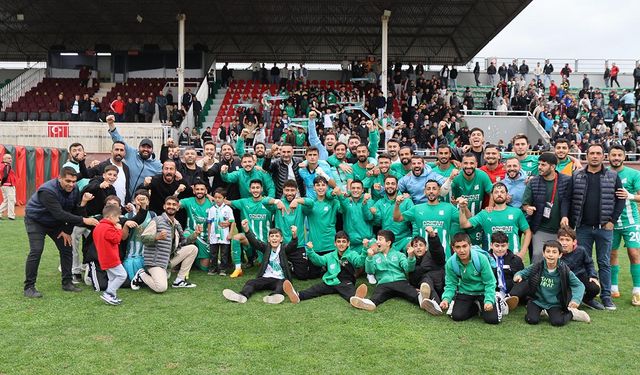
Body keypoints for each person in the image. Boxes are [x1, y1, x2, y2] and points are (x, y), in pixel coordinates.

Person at [23, 167, 99, 298]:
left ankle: (67, 282)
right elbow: (59, 214)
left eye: (74, 181)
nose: (71, 184)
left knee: (66, 248)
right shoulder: (47, 191)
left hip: (55, 223)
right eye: (67, 181)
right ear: (59, 178)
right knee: (36, 250)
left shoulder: (75, 190)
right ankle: (29, 287)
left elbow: (73, 211)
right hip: (36, 221)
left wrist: (67, 231)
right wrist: (85, 220)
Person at [571, 143, 624, 310]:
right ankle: (587, 296)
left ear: (603, 156)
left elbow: (620, 199)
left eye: (598, 153)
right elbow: (570, 199)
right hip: (583, 228)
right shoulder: (577, 175)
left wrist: (612, 221)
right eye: (591, 153)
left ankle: (606, 296)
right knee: (583, 263)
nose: (595, 156)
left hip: (604, 228)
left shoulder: (613, 176)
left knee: (604, 262)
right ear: (586, 155)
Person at [349, 230, 432, 313]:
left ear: (388, 243)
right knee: (376, 297)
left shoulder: (399, 255)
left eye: (380, 239)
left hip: (400, 281)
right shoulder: (375, 257)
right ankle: (366, 303)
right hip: (383, 283)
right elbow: (370, 271)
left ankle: (425, 301)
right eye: (377, 239)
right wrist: (369, 258)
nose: (377, 242)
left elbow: (408, 269)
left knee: (413, 294)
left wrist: (410, 257)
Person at [512, 240, 591, 325]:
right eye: (548, 251)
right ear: (543, 253)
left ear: (560, 255)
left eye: (554, 252)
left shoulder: (564, 270)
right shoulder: (537, 266)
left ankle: (572, 313)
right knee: (531, 320)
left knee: (557, 322)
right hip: (537, 300)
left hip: (554, 303)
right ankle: (540, 311)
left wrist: (576, 300)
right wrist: (518, 275)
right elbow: (523, 272)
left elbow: (579, 285)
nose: (550, 254)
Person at [130, 196, 199, 292]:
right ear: (164, 206)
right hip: (155, 262)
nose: (171, 206)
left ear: (178, 208)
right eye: (169, 204)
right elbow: (144, 238)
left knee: (193, 249)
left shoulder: (176, 223)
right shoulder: (157, 220)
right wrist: (156, 237)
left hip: (168, 260)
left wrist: (195, 235)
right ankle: (141, 275)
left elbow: (183, 242)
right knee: (161, 288)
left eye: (174, 205)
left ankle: (179, 280)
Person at [222, 220, 298, 304]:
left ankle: (274, 297)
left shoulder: (283, 249)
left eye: (277, 236)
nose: (274, 238)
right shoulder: (266, 247)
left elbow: (292, 246)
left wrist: (294, 236)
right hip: (265, 277)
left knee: (283, 285)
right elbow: (255, 243)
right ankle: (242, 296)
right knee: (251, 282)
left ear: (281, 239)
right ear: (269, 239)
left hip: (279, 279)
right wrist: (246, 230)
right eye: (272, 236)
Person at [282, 231, 367, 304]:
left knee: (350, 294)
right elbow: (318, 261)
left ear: (348, 243)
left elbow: (359, 262)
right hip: (331, 281)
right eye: (339, 241)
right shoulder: (330, 255)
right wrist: (310, 251)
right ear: (335, 243)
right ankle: (297, 295)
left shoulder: (352, 254)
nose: (341, 244)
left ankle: (358, 300)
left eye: (344, 241)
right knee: (315, 289)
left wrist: (364, 250)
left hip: (345, 282)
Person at [439, 233, 501, 324]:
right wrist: (446, 299)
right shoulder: (450, 263)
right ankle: (476, 307)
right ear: (453, 248)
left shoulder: (481, 259)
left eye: (464, 246)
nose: (462, 250)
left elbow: (490, 282)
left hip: (483, 291)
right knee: (457, 316)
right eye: (458, 247)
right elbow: (451, 284)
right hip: (465, 291)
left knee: (492, 320)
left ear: (470, 246)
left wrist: (488, 300)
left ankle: (497, 299)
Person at [522, 152, 572, 264]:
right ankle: (535, 281)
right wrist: (527, 208)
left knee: (563, 260)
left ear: (553, 167)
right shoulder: (534, 182)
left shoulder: (567, 180)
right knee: (537, 256)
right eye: (539, 164)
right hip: (540, 228)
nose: (539, 167)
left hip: (562, 230)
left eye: (543, 165)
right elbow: (525, 204)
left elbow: (571, 201)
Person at [459, 182, 531, 256]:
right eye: (496, 192)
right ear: (492, 195)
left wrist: (523, 252)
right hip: (491, 259)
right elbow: (464, 225)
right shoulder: (485, 214)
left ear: (507, 195)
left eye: (502, 192)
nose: (499, 194)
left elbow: (527, 232)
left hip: (513, 257)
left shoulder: (516, 212)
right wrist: (462, 208)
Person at [607, 145, 640, 305]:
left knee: (634, 254)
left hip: (630, 222)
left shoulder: (634, 174)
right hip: (610, 222)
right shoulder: (605, 173)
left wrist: (630, 195)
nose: (616, 158)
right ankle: (613, 288)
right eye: (613, 155)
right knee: (612, 254)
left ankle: (637, 290)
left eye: (619, 155)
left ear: (624, 156)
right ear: (608, 156)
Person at [106, 115, 162, 194]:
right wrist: (111, 124)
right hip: (125, 197)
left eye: (148, 147)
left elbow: (166, 174)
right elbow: (119, 141)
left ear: (152, 150)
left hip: (141, 200)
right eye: (143, 147)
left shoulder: (157, 165)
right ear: (139, 148)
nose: (145, 149)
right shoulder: (132, 153)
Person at [450, 153, 493, 246]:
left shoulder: (482, 175)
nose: (468, 166)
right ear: (461, 164)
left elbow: (492, 191)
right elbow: (450, 197)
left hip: (476, 220)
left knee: (475, 248)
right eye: (465, 163)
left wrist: (490, 206)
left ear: (476, 164)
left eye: (471, 163)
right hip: (459, 219)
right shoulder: (456, 178)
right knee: (457, 246)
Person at [557, 227, 603, 310]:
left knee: (594, 287)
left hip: (580, 276)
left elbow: (589, 263)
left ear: (574, 242)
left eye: (567, 240)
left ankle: (587, 299)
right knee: (566, 304)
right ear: (557, 240)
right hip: (565, 281)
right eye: (561, 239)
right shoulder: (555, 253)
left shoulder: (581, 250)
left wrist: (593, 276)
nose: (564, 243)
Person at [93, 205, 127, 305]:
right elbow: (116, 239)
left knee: (112, 278)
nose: (118, 220)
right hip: (111, 257)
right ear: (111, 216)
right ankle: (109, 293)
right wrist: (119, 229)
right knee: (122, 275)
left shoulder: (98, 227)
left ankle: (112, 296)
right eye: (117, 218)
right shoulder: (108, 228)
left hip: (104, 257)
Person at [406, 230, 447, 315]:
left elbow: (437, 250)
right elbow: (411, 276)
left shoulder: (432, 255)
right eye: (415, 246)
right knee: (425, 281)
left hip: (441, 283)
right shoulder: (412, 260)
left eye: (421, 245)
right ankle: (433, 304)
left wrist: (433, 237)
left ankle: (433, 301)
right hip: (430, 287)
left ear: (426, 247)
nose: (418, 248)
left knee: (426, 279)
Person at [179, 179, 213, 271]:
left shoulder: (211, 203)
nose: (199, 191)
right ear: (194, 191)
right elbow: (173, 204)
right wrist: (177, 192)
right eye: (197, 189)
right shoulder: (188, 201)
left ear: (206, 191)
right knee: (185, 236)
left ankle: (194, 261)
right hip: (191, 231)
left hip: (205, 237)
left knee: (204, 268)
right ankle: (178, 263)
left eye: (202, 189)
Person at [488, 231, 523, 310]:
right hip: (493, 290)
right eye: (497, 246)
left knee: (525, 280)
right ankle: (498, 300)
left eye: (503, 246)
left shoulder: (516, 259)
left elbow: (521, 277)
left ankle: (508, 299)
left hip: (511, 291)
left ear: (508, 245)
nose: (500, 249)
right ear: (491, 245)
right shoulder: (485, 259)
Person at [207, 188, 235, 276]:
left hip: (225, 234)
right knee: (213, 253)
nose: (217, 199)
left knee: (224, 253)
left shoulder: (228, 209)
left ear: (224, 198)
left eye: (220, 197)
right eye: (216, 197)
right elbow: (209, 222)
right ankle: (213, 268)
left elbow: (232, 221)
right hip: (214, 234)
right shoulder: (211, 209)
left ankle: (223, 269)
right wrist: (209, 234)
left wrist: (230, 234)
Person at [0, 153, 17, 220]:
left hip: (4, 186)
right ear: (4, 159)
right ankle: (11, 216)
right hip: (8, 185)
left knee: (6, 201)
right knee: (11, 200)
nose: (10, 159)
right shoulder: (7, 166)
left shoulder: (1, 165)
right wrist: (2, 182)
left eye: (11, 158)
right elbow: (5, 175)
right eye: (9, 158)